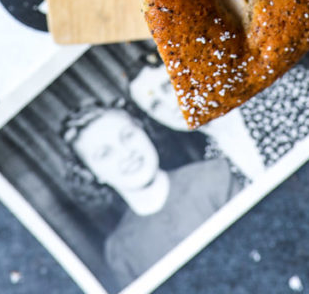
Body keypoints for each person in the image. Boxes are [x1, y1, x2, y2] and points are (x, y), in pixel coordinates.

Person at [63, 104, 240, 289]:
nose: (126, 153)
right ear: (92, 174)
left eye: (128, 135)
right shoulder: (119, 250)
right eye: (105, 154)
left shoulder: (214, 176)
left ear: (144, 131)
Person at [129, 54, 266, 180]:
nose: (172, 105)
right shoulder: (213, 164)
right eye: (156, 105)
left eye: (169, 86)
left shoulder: (271, 98)